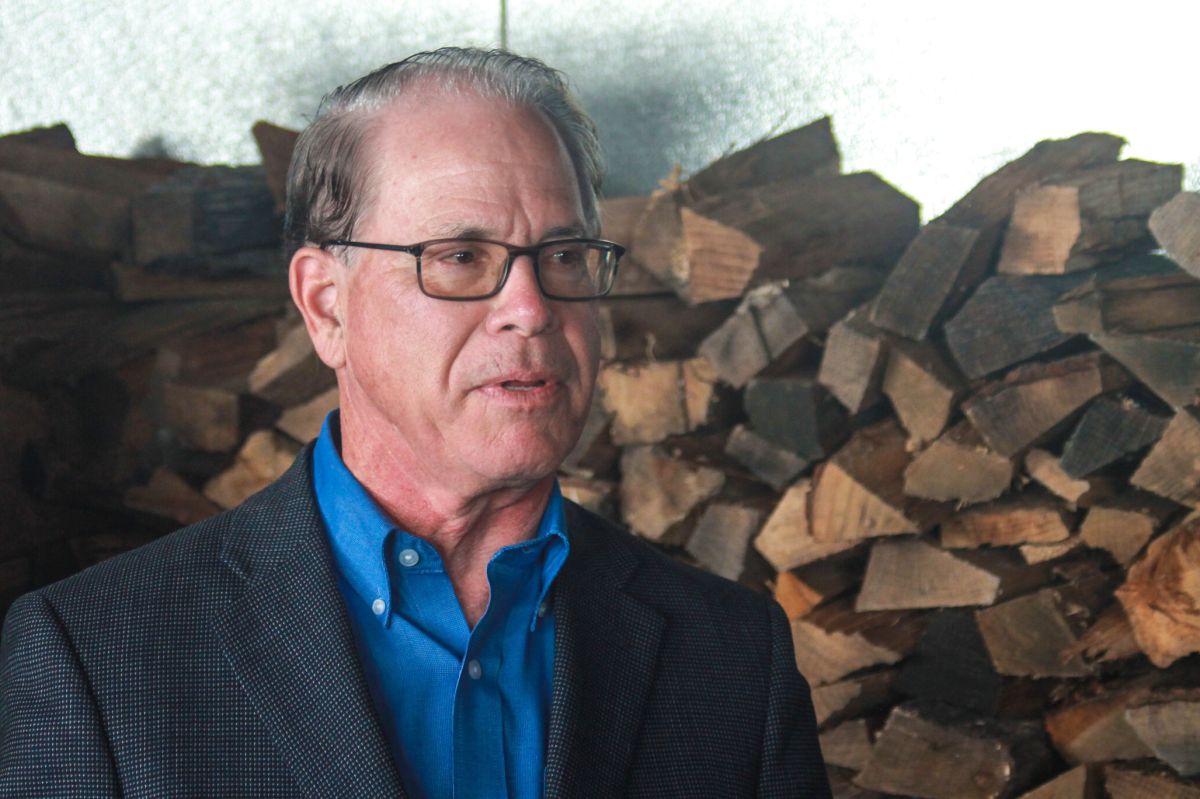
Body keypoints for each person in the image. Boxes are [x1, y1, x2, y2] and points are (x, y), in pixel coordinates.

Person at [0, 47, 829, 798]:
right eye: (462, 257)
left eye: (565, 254)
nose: (532, 308)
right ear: (327, 307)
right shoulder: (95, 659)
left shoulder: (730, 656)